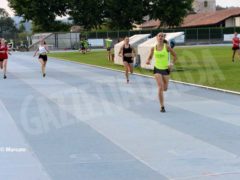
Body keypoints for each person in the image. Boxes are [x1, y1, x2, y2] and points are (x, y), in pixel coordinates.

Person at [146, 33, 177, 112]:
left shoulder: (167, 47)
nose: (160, 37)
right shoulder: (153, 48)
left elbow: (175, 56)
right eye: (159, 36)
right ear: (156, 38)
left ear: (163, 38)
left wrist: (171, 64)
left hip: (166, 69)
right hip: (157, 69)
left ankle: (161, 94)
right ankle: (162, 106)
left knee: (165, 88)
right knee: (160, 86)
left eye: (162, 36)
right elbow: (150, 56)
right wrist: (148, 60)